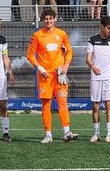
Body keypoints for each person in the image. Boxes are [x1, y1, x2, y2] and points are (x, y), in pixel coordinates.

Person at [27, 8, 78, 143]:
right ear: (42, 20)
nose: (48, 21)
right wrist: (39, 67)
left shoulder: (61, 34)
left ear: (55, 19)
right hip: (45, 76)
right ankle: (48, 135)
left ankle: (67, 132)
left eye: (50, 18)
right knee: (46, 105)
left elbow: (69, 52)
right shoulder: (37, 35)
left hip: (59, 75)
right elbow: (30, 55)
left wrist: (65, 67)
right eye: (46, 18)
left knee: (62, 102)